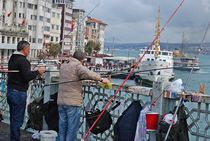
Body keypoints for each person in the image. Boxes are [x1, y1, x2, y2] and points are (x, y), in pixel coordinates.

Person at [57, 50, 110, 141]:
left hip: (61, 101)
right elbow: (88, 73)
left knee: (62, 127)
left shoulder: (64, 65)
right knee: (72, 128)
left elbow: (74, 76)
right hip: (72, 102)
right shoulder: (77, 66)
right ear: (81, 60)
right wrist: (101, 79)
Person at [7, 40, 45, 141]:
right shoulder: (23, 61)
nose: (29, 51)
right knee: (17, 121)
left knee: (13, 118)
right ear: (24, 49)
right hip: (18, 93)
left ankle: (13, 138)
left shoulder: (12, 58)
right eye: (29, 49)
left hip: (11, 91)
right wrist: (38, 72)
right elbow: (27, 76)